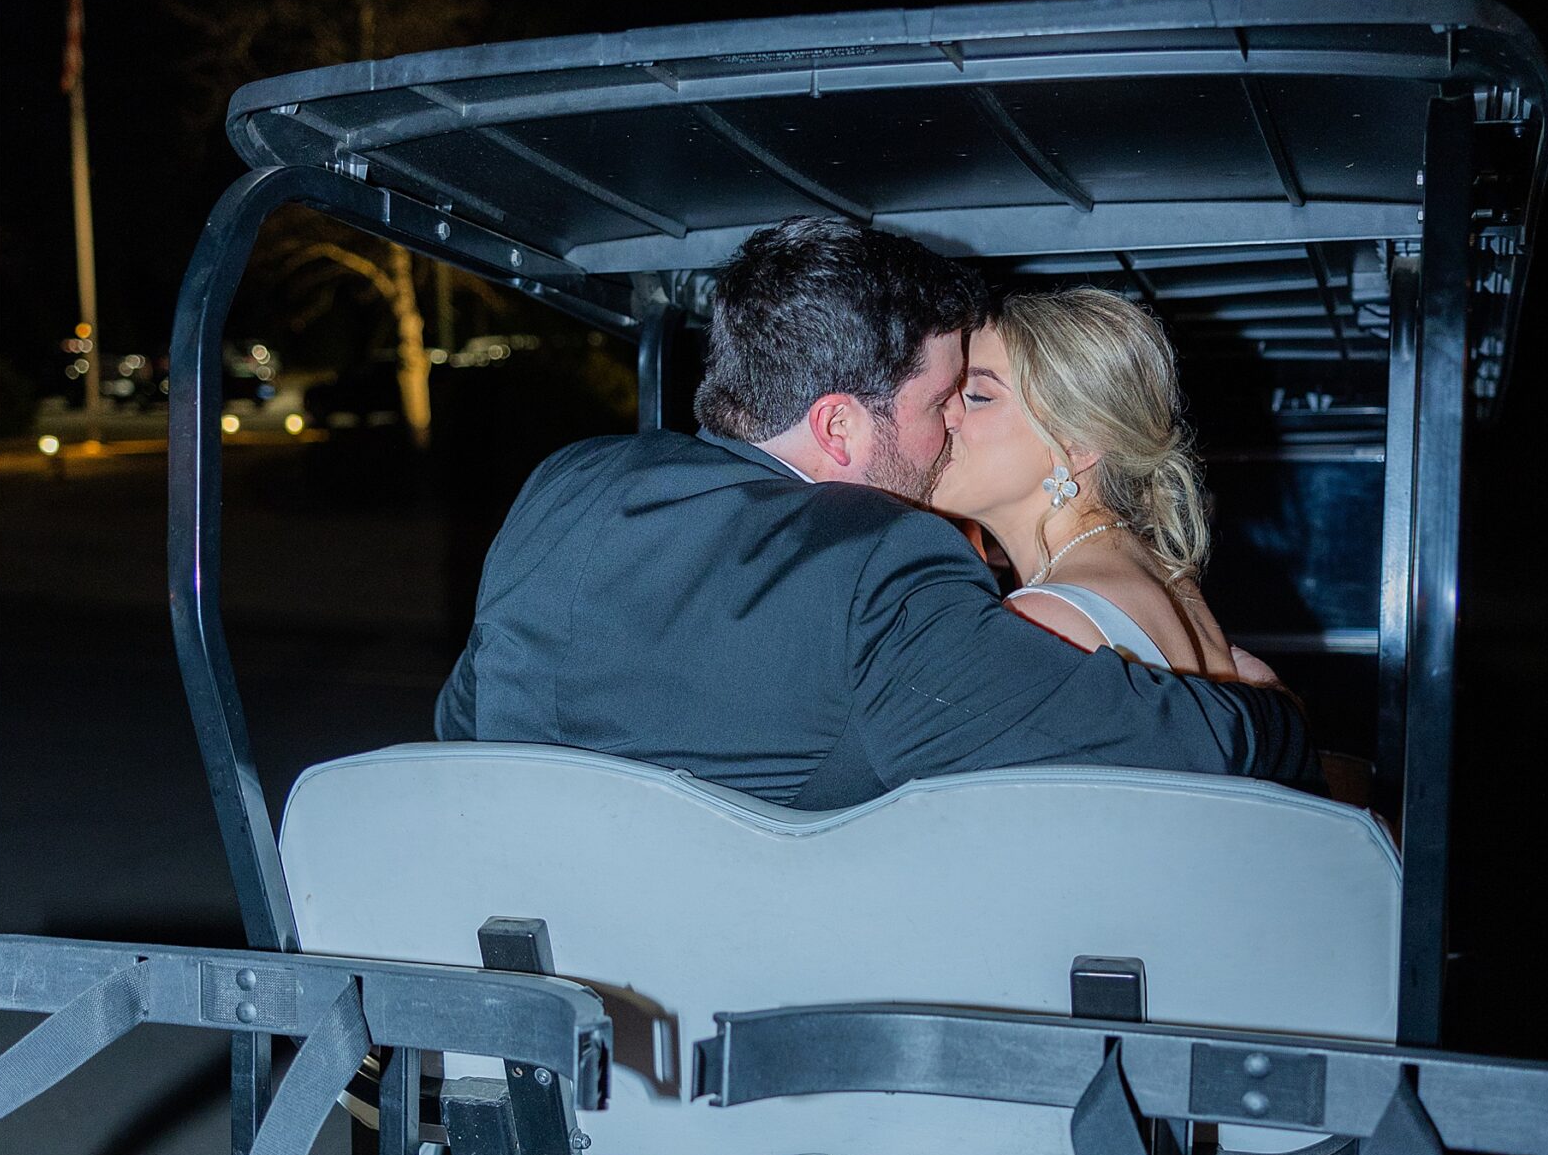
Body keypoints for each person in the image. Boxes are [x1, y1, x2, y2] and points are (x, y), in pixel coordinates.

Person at [434, 216, 1319, 804]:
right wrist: (1270, 708)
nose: (943, 439)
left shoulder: (567, 485)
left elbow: (465, 723)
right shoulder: (878, 563)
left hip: (515, 980)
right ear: (840, 424)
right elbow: (1183, 750)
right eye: (942, 405)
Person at [941, 284, 1253, 1155]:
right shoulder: (1175, 603)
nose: (941, 411)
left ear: (1073, 447)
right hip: (1172, 1093)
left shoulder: (1049, 627)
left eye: (976, 394)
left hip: (1115, 1109)